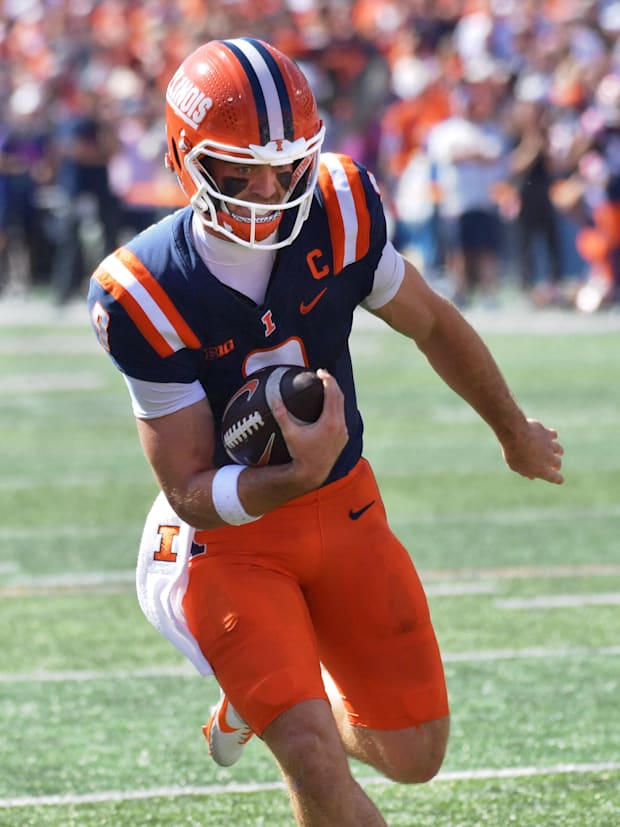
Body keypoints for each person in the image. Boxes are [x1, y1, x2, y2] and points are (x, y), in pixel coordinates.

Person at [87, 37, 564, 827]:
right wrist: (286, 480)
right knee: (308, 749)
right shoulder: (143, 289)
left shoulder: (341, 206)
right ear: (187, 160)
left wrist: (510, 429)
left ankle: (260, 702)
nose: (272, 189)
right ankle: (282, 707)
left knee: (416, 751)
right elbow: (191, 490)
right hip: (223, 541)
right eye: (242, 168)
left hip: (342, 502)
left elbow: (434, 323)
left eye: (289, 164)